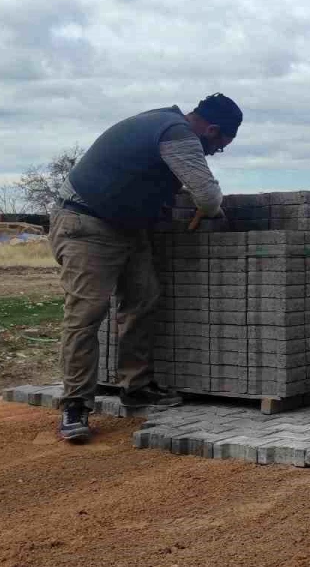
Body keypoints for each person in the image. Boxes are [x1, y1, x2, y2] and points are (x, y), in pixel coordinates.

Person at [50, 93, 243, 442]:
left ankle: (135, 386)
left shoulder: (161, 124)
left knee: (143, 299)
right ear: (212, 129)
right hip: (87, 226)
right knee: (86, 314)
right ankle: (75, 404)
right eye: (220, 145)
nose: (215, 152)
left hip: (126, 228)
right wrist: (212, 209)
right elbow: (208, 196)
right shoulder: (177, 132)